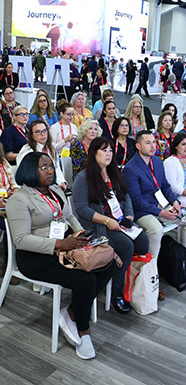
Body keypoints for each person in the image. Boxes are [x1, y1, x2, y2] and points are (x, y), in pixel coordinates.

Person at [7, 152, 116, 359]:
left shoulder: (55, 190)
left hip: (65, 247)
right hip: (35, 256)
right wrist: (61, 243)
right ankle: (83, 331)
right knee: (85, 280)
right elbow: (21, 240)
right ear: (30, 171)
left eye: (51, 167)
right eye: (44, 168)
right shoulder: (19, 199)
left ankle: (72, 312)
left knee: (108, 262)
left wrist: (81, 234)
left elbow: (70, 216)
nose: (51, 171)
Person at [122, 131, 186, 298]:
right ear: (138, 146)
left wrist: (174, 202)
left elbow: (165, 186)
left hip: (162, 204)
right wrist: (161, 212)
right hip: (143, 210)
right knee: (156, 231)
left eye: (154, 142)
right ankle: (152, 275)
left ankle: (185, 261)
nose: (153, 146)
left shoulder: (158, 162)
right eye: (148, 143)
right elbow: (136, 200)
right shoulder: (130, 169)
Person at [72, 137, 149, 314]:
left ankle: (132, 285)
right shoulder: (83, 177)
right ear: (94, 153)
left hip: (120, 221)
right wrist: (107, 221)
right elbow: (82, 209)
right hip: (99, 226)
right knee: (126, 246)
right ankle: (117, 293)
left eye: (110, 151)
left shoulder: (113, 173)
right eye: (103, 150)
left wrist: (128, 215)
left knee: (143, 241)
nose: (108, 154)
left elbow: (126, 196)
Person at [17, 119, 67, 190]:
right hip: (34, 187)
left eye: (44, 130)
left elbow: (56, 168)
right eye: (38, 132)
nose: (43, 134)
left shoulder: (51, 147)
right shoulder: (27, 150)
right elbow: (25, 174)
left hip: (52, 185)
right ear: (32, 135)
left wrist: (61, 182)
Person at [0, 141, 20, 283]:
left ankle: (18, 262)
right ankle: (8, 265)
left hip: (8, 202)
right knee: (11, 227)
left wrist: (16, 193)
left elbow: (13, 185)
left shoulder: (4, 163)